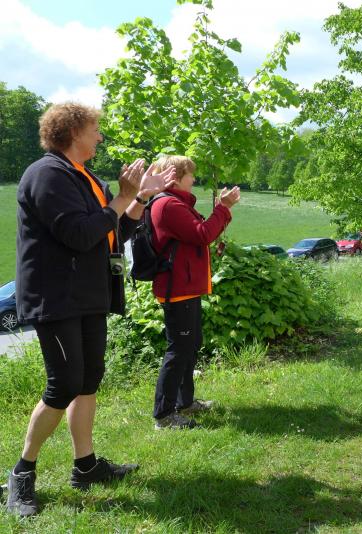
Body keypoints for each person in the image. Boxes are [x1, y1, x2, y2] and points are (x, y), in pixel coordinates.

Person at [8, 102, 175, 517]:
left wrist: (139, 198)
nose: (100, 136)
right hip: (56, 297)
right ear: (72, 131)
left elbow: (114, 230)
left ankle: (85, 466)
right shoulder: (47, 175)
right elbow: (80, 235)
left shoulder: (85, 177)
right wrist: (123, 197)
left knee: (88, 380)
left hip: (87, 295)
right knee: (63, 385)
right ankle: (22, 473)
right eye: (95, 129)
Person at [149, 155, 240, 429]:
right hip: (178, 288)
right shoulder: (169, 205)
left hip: (185, 286)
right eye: (190, 174)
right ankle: (164, 416)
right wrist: (223, 208)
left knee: (190, 344)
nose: (194, 178)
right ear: (176, 177)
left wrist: (222, 211)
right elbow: (202, 234)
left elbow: (201, 235)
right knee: (179, 349)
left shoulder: (176, 204)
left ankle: (185, 402)